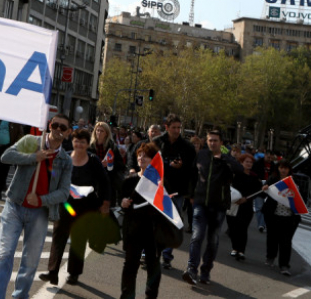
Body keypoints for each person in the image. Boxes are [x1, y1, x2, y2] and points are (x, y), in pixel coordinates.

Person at [0, 115, 72, 299]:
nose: (58, 129)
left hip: (39, 213)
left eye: (63, 127)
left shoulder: (65, 160)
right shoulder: (32, 141)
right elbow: (6, 156)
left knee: (30, 262)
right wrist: (34, 157)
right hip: (14, 206)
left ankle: (20, 296)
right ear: (49, 125)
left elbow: (64, 192)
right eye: (55, 125)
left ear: (68, 132)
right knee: (4, 254)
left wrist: (41, 200)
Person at [40, 127, 112, 286]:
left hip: (87, 206)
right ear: (72, 142)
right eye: (76, 141)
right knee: (59, 236)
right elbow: (53, 175)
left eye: (82, 142)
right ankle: (52, 272)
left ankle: (73, 273)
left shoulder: (93, 160)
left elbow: (104, 182)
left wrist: (105, 203)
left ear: (87, 144)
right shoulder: (64, 158)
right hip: (66, 203)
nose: (79, 144)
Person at [183, 128, 241, 286]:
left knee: (213, 240)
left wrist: (225, 157)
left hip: (219, 206)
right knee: (197, 235)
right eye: (210, 140)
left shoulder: (227, 158)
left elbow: (239, 170)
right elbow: (192, 175)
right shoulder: (201, 155)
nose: (212, 143)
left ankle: (206, 271)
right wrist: (191, 195)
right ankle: (191, 269)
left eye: (215, 140)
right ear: (206, 142)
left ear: (221, 143)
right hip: (200, 203)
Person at [120, 143, 162, 299]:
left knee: (153, 266)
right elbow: (122, 202)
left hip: (153, 231)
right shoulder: (129, 180)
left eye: (146, 156)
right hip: (133, 230)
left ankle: (150, 296)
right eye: (140, 155)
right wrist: (123, 203)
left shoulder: (160, 182)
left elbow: (165, 208)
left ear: (154, 160)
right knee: (130, 266)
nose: (141, 158)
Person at [153, 114, 196, 269]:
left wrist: (181, 167)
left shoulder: (187, 147)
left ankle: (167, 256)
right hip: (157, 189)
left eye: (179, 128)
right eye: (174, 128)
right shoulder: (157, 142)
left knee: (171, 223)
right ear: (167, 127)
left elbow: (192, 171)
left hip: (177, 191)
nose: (177, 130)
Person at [262, 160, 304, 275]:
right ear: (278, 168)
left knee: (286, 242)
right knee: (272, 238)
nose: (283, 170)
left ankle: (284, 265)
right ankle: (270, 256)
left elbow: (302, 199)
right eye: (281, 167)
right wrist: (265, 188)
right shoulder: (273, 179)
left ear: (289, 169)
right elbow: (263, 192)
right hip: (273, 214)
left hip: (289, 217)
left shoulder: (294, 182)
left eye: (286, 168)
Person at [227, 152, 262, 261]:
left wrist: (246, 198)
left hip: (246, 206)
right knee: (232, 227)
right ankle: (234, 247)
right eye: (246, 162)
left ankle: (241, 250)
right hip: (234, 204)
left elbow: (257, 191)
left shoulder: (254, 177)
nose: (249, 164)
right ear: (241, 162)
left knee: (243, 228)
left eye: (251, 162)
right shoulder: (235, 174)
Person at [0, 119, 23, 203]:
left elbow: (20, 134)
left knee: (2, 171)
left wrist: (15, 145)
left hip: (7, 147)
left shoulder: (15, 120)